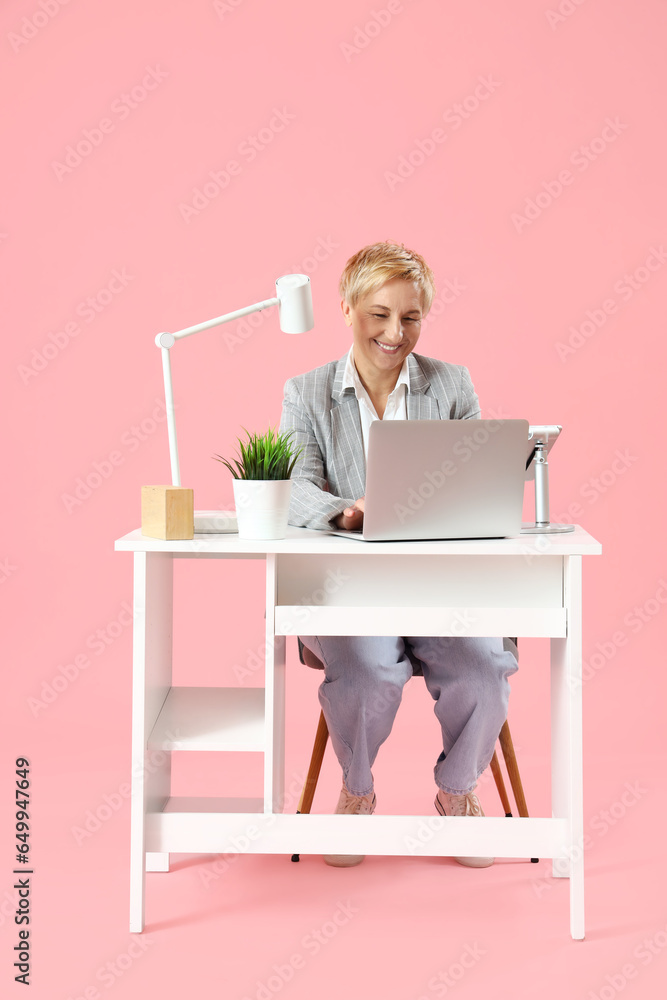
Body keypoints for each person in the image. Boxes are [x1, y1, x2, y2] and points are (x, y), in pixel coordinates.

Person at [278, 241, 518, 868]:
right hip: (352, 591)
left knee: (484, 668)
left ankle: (457, 791)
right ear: (347, 308)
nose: (394, 332)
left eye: (410, 317)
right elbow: (294, 485)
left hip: (440, 588)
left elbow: (478, 478)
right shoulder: (306, 393)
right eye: (379, 314)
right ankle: (357, 792)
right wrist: (344, 510)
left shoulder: (451, 384)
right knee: (366, 673)